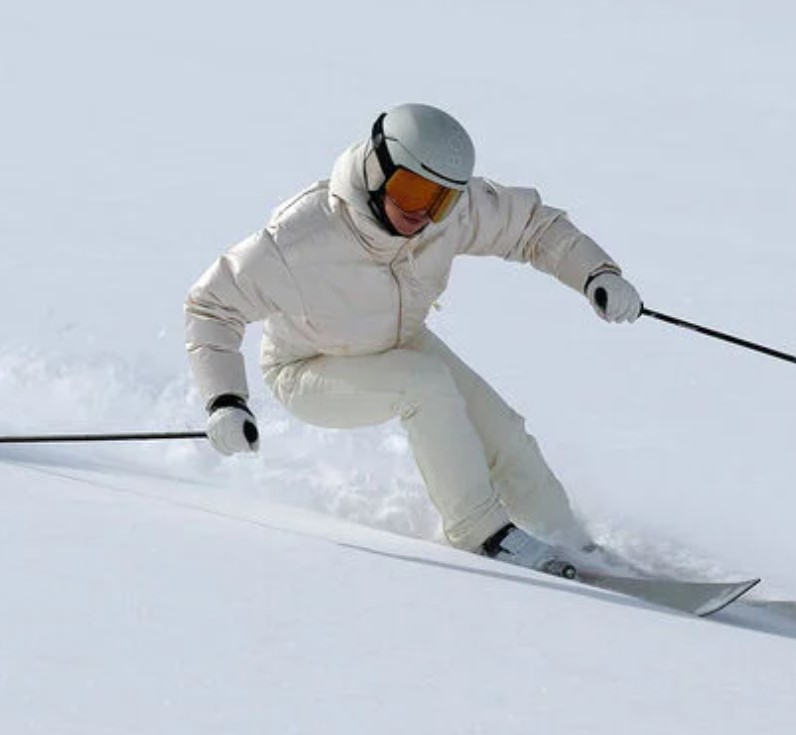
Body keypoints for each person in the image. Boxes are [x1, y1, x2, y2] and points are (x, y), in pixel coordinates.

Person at [184, 103, 642, 578]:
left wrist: (595, 273)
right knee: (424, 388)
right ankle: (483, 534)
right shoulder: (302, 237)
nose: (421, 212)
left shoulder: (444, 216)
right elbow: (211, 306)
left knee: (503, 431)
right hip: (307, 367)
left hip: (397, 342)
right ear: (378, 168)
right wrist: (225, 400)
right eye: (411, 190)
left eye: (439, 199)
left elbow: (530, 225)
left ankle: (567, 541)